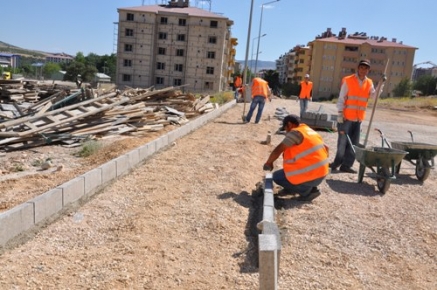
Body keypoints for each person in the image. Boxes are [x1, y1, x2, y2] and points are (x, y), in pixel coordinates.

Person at [263, 114, 329, 201]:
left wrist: (269, 162)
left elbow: (278, 150)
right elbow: (327, 148)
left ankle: (308, 192)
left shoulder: (295, 133)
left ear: (290, 124)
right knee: (287, 173)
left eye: (286, 128)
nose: (286, 132)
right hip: (321, 173)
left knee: (277, 177)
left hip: (312, 175)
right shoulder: (309, 131)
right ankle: (293, 189)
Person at [329, 59, 376, 173]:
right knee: (342, 142)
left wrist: (382, 85)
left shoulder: (369, 82)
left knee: (354, 144)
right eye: (362, 67)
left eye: (366, 68)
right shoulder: (349, 80)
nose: (363, 70)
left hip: (358, 119)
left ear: (368, 70)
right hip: (346, 117)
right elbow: (342, 97)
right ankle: (336, 163)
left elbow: (374, 96)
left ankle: (346, 165)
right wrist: (340, 113)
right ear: (358, 68)